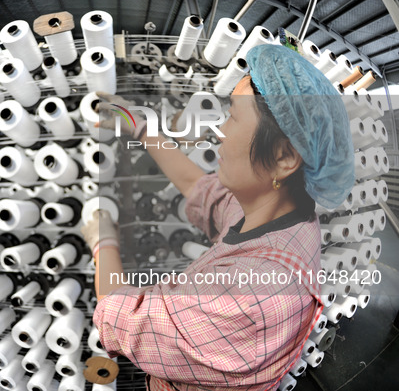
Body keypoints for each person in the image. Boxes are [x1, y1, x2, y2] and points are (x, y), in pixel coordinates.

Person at [80, 44, 355, 391]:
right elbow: (200, 188)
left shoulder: (249, 300)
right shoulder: (283, 214)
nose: (220, 131)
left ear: (285, 157)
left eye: (235, 117)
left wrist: (102, 240)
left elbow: (117, 317)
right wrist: (139, 126)